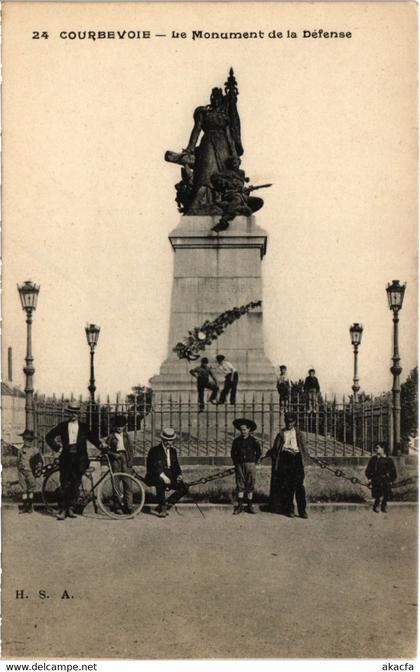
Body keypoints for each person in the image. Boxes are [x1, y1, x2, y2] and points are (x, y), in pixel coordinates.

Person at [185, 86, 240, 214]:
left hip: (223, 147)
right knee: (206, 173)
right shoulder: (204, 112)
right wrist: (190, 148)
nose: (216, 100)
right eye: (214, 97)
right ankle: (198, 203)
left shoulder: (224, 115)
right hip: (208, 144)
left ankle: (220, 204)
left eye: (219, 97)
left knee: (223, 176)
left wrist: (234, 155)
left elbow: (230, 137)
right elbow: (196, 131)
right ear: (211, 98)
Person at [45, 401, 102, 520]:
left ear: (79, 414)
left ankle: (70, 508)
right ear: (68, 413)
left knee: (75, 485)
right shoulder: (62, 426)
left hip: (79, 459)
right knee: (64, 484)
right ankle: (62, 509)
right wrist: (58, 448)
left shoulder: (84, 427)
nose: (73, 415)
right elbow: (49, 436)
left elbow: (94, 439)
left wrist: (102, 447)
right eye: (71, 412)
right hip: (66, 458)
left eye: (75, 413)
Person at [266, 413, 308, 518]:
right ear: (285, 422)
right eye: (288, 422)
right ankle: (289, 510)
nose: (289, 424)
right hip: (285, 459)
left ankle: (302, 511)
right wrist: (267, 454)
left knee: (299, 486)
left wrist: (305, 459)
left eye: (291, 422)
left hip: (297, 458)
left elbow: (303, 448)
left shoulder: (299, 434)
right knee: (288, 486)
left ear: (294, 422)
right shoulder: (281, 433)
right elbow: (276, 448)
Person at [146, 428, 188, 518]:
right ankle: (163, 508)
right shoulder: (154, 450)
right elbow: (152, 466)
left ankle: (168, 503)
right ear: (162, 439)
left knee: (184, 487)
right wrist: (163, 476)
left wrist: (179, 475)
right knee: (160, 482)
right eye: (167, 440)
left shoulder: (173, 451)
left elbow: (176, 466)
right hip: (155, 475)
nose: (169, 443)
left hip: (169, 474)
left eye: (171, 441)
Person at [103, 415, 134, 515]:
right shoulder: (111, 437)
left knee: (128, 484)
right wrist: (113, 454)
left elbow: (130, 449)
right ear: (114, 427)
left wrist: (130, 462)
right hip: (115, 460)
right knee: (116, 484)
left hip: (125, 459)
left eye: (121, 426)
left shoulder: (127, 436)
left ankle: (129, 506)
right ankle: (118, 506)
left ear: (124, 426)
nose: (119, 428)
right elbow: (106, 450)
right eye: (117, 426)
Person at [231, 418, 261, 515]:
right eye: (241, 430)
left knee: (250, 484)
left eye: (245, 430)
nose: (243, 431)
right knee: (240, 484)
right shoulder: (236, 441)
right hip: (240, 464)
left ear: (249, 430)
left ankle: (249, 505)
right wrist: (236, 462)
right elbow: (233, 453)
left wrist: (254, 461)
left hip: (250, 464)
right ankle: (239, 506)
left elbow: (259, 452)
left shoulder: (253, 441)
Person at [365, 442, 397, 513]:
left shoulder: (388, 460)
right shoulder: (373, 459)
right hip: (376, 479)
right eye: (375, 448)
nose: (375, 449)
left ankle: (383, 506)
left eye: (377, 448)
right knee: (377, 494)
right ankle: (375, 506)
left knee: (386, 493)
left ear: (383, 449)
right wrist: (370, 478)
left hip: (385, 479)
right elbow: (368, 470)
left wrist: (392, 480)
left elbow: (393, 471)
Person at [17, 430, 42, 514]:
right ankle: (24, 507)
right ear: (23, 440)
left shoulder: (35, 450)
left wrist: (38, 468)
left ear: (32, 441)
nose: (28, 442)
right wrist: (19, 468)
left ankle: (30, 506)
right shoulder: (20, 450)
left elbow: (39, 461)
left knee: (31, 488)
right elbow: (18, 461)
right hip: (22, 472)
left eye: (30, 440)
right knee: (24, 489)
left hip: (30, 472)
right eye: (26, 439)